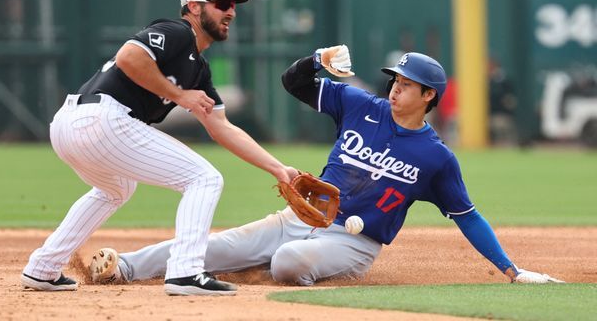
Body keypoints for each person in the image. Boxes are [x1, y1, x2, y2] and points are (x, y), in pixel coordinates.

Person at [88, 47, 563, 287]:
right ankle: (122, 267)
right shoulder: (359, 105)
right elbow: (294, 81)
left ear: (429, 96)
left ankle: (264, 274)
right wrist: (316, 58)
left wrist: (511, 270)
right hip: (299, 216)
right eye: (395, 80)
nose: (396, 88)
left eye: (408, 84)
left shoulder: (436, 157)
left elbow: (468, 216)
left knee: (288, 263)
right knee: (215, 245)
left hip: (353, 243)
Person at [20, 0, 298, 296]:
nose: (231, 11)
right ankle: (185, 272)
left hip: (74, 124)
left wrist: (277, 168)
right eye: (222, 3)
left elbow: (222, 127)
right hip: (101, 119)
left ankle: (42, 268)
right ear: (194, 7)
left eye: (233, 5)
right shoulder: (177, 31)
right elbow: (129, 57)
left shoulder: (199, 70)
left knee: (117, 189)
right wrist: (179, 96)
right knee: (204, 179)